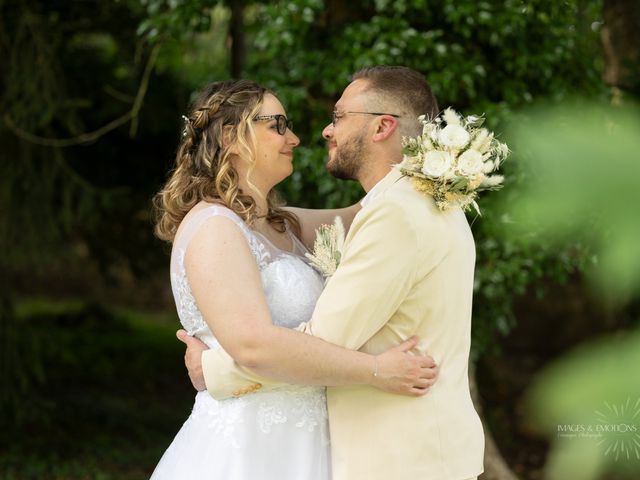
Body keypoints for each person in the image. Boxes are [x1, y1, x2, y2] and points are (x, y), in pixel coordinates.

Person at [181, 66, 485, 480]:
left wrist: (213, 368)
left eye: (339, 117)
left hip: (396, 456)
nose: (313, 134)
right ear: (232, 137)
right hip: (260, 443)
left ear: (382, 127)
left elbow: (324, 340)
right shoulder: (417, 203)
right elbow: (354, 218)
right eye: (278, 125)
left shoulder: (394, 212)